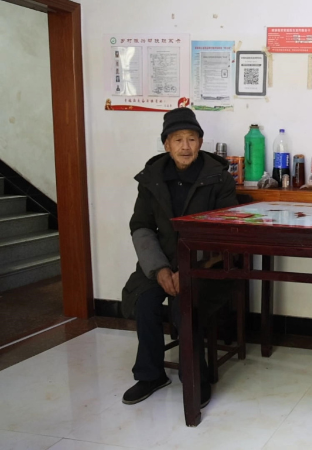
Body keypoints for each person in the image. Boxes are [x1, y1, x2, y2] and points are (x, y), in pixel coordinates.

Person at [121, 107, 238, 407]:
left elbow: (223, 232)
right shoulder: (152, 178)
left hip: (206, 265)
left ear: (201, 142)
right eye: (177, 140)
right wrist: (159, 269)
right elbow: (141, 226)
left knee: (183, 305)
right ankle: (150, 375)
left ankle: (195, 376)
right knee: (144, 300)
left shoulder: (219, 178)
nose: (185, 146)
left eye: (191, 139)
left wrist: (188, 269)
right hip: (161, 260)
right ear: (166, 144)